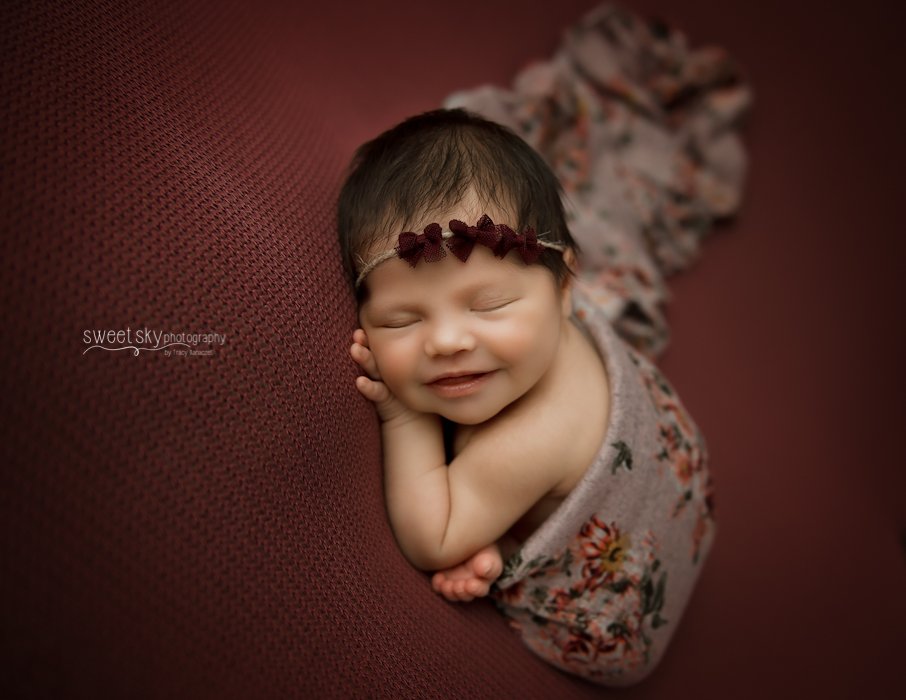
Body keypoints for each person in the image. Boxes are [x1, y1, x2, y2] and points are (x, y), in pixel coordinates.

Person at [338, 108, 715, 685]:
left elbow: (434, 539)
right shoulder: (533, 323)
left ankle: (513, 533)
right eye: (401, 320)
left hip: (619, 614)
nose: (446, 341)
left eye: (487, 306)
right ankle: (510, 518)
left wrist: (403, 413)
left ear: (566, 289)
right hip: (679, 472)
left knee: (480, 513)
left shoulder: (534, 436)